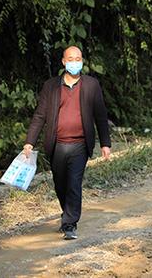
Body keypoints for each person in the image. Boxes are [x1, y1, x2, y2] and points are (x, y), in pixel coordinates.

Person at [23, 46, 111, 240]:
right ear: (63, 62)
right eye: (70, 59)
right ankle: (67, 212)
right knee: (60, 183)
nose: (74, 62)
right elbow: (40, 115)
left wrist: (105, 143)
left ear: (82, 61)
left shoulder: (91, 85)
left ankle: (70, 224)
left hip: (80, 144)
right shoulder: (51, 86)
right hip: (57, 145)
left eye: (78, 58)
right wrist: (30, 141)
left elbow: (100, 115)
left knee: (73, 183)